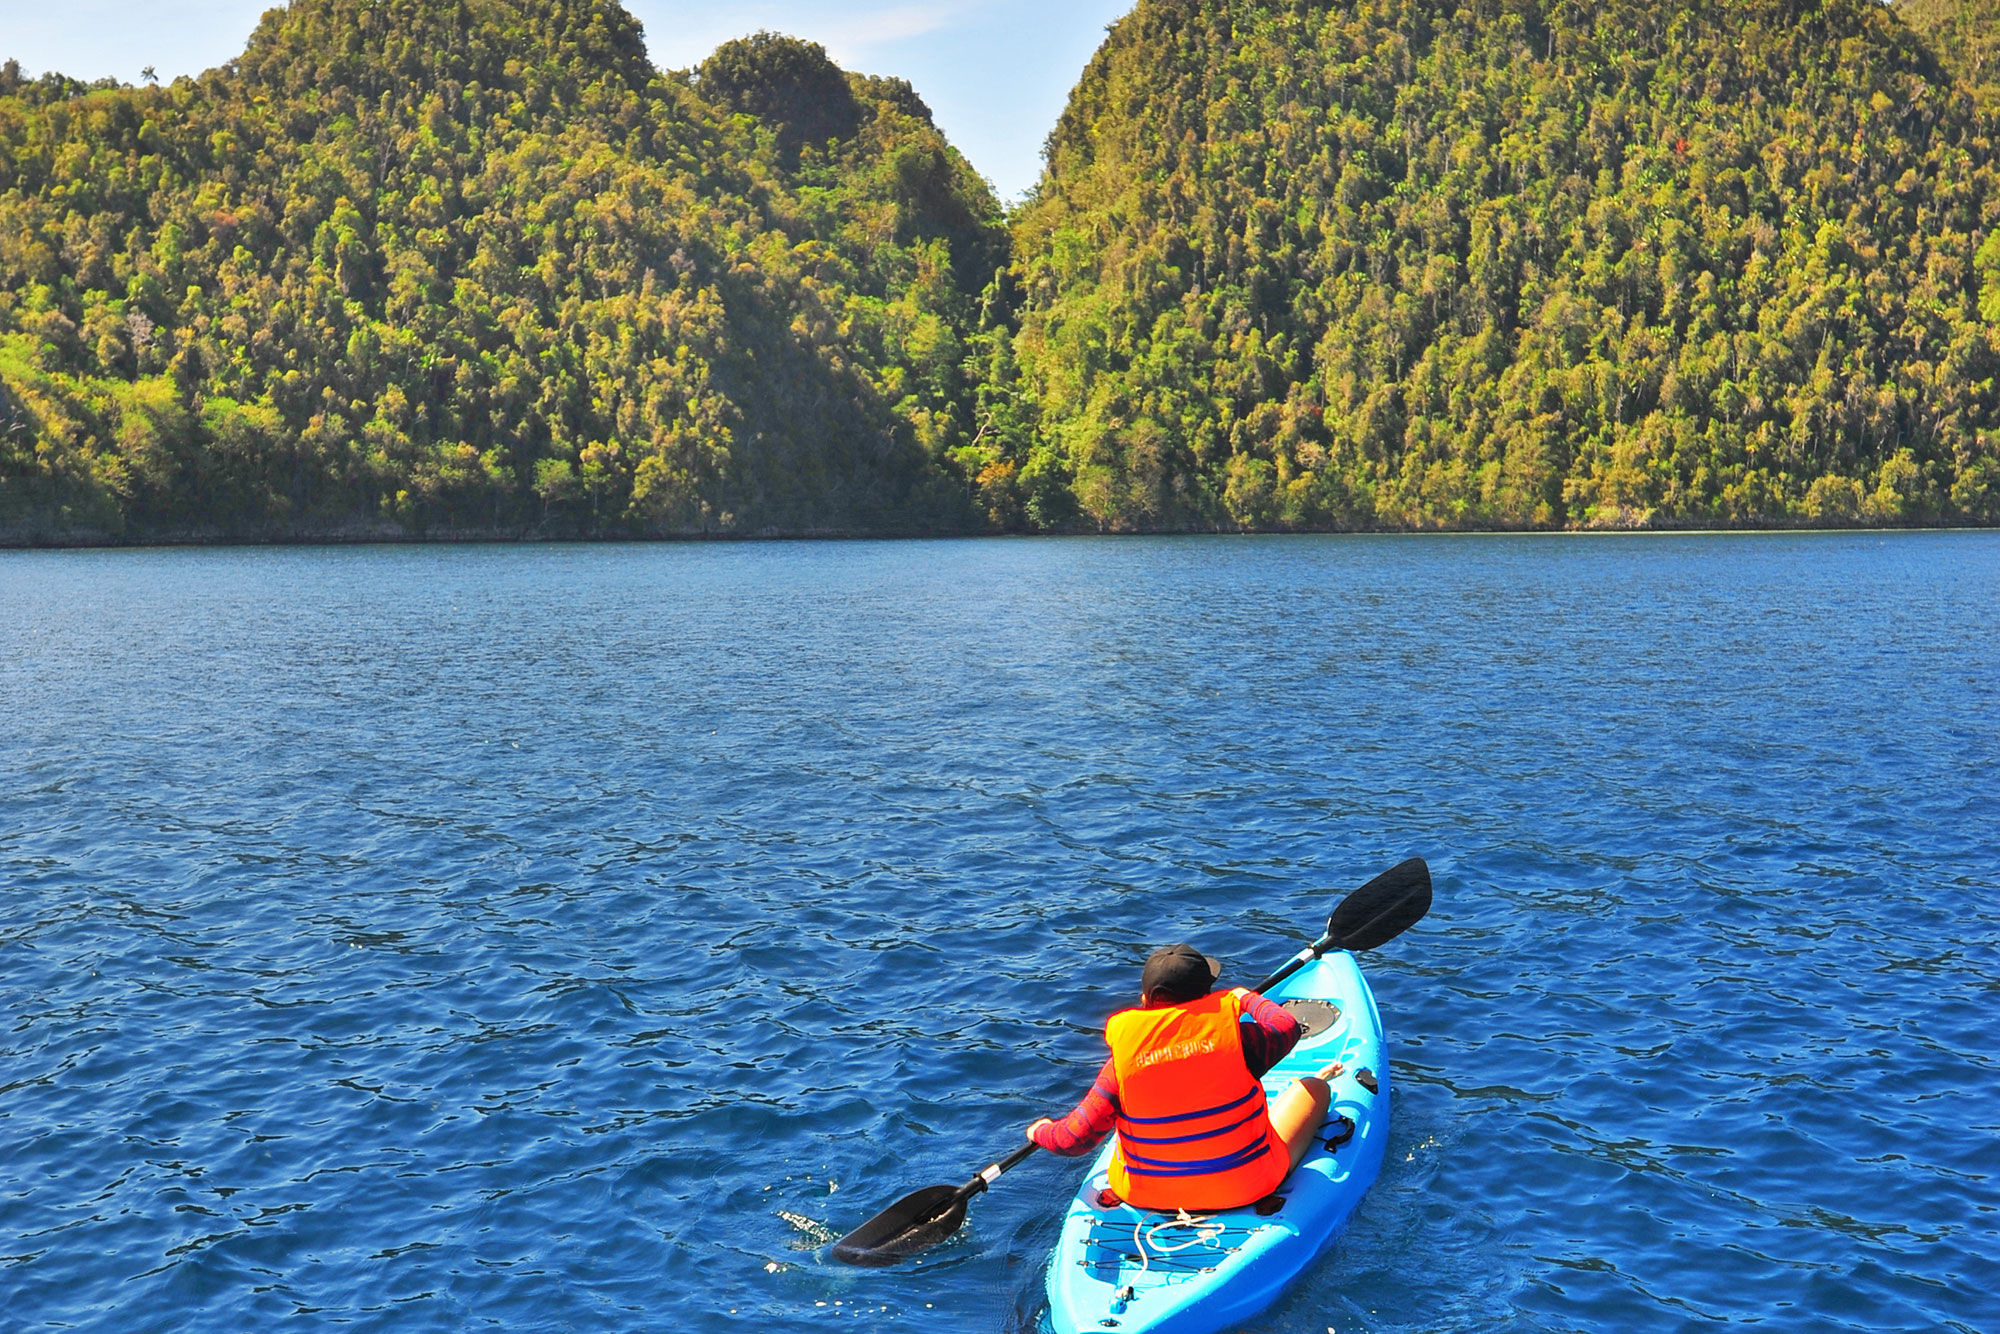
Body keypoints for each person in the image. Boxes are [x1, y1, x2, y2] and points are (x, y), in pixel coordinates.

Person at [1026, 942, 1342, 1211]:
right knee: (1314, 1088)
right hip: (1244, 1189)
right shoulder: (1244, 1042)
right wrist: (1242, 997)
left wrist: (1041, 1131)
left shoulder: (1120, 1066)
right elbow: (1286, 1025)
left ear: (1145, 1001)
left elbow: (1074, 1140)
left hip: (1145, 1197)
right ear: (1207, 996)